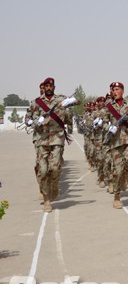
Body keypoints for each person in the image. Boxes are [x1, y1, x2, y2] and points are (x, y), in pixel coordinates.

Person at [31, 77, 78, 212]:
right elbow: (28, 119)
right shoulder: (36, 102)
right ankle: (46, 200)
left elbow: (77, 102)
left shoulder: (60, 100)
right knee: (43, 171)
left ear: (54, 87)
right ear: (43, 88)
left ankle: (55, 185)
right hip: (41, 139)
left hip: (57, 139)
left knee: (55, 168)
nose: (48, 88)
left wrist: (72, 101)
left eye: (51, 86)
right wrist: (36, 121)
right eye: (46, 86)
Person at [101, 82, 128, 208]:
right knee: (117, 171)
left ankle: (126, 173)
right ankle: (117, 196)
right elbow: (103, 121)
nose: (115, 91)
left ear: (122, 91)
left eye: (117, 89)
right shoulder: (108, 106)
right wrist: (108, 127)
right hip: (115, 142)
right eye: (113, 89)